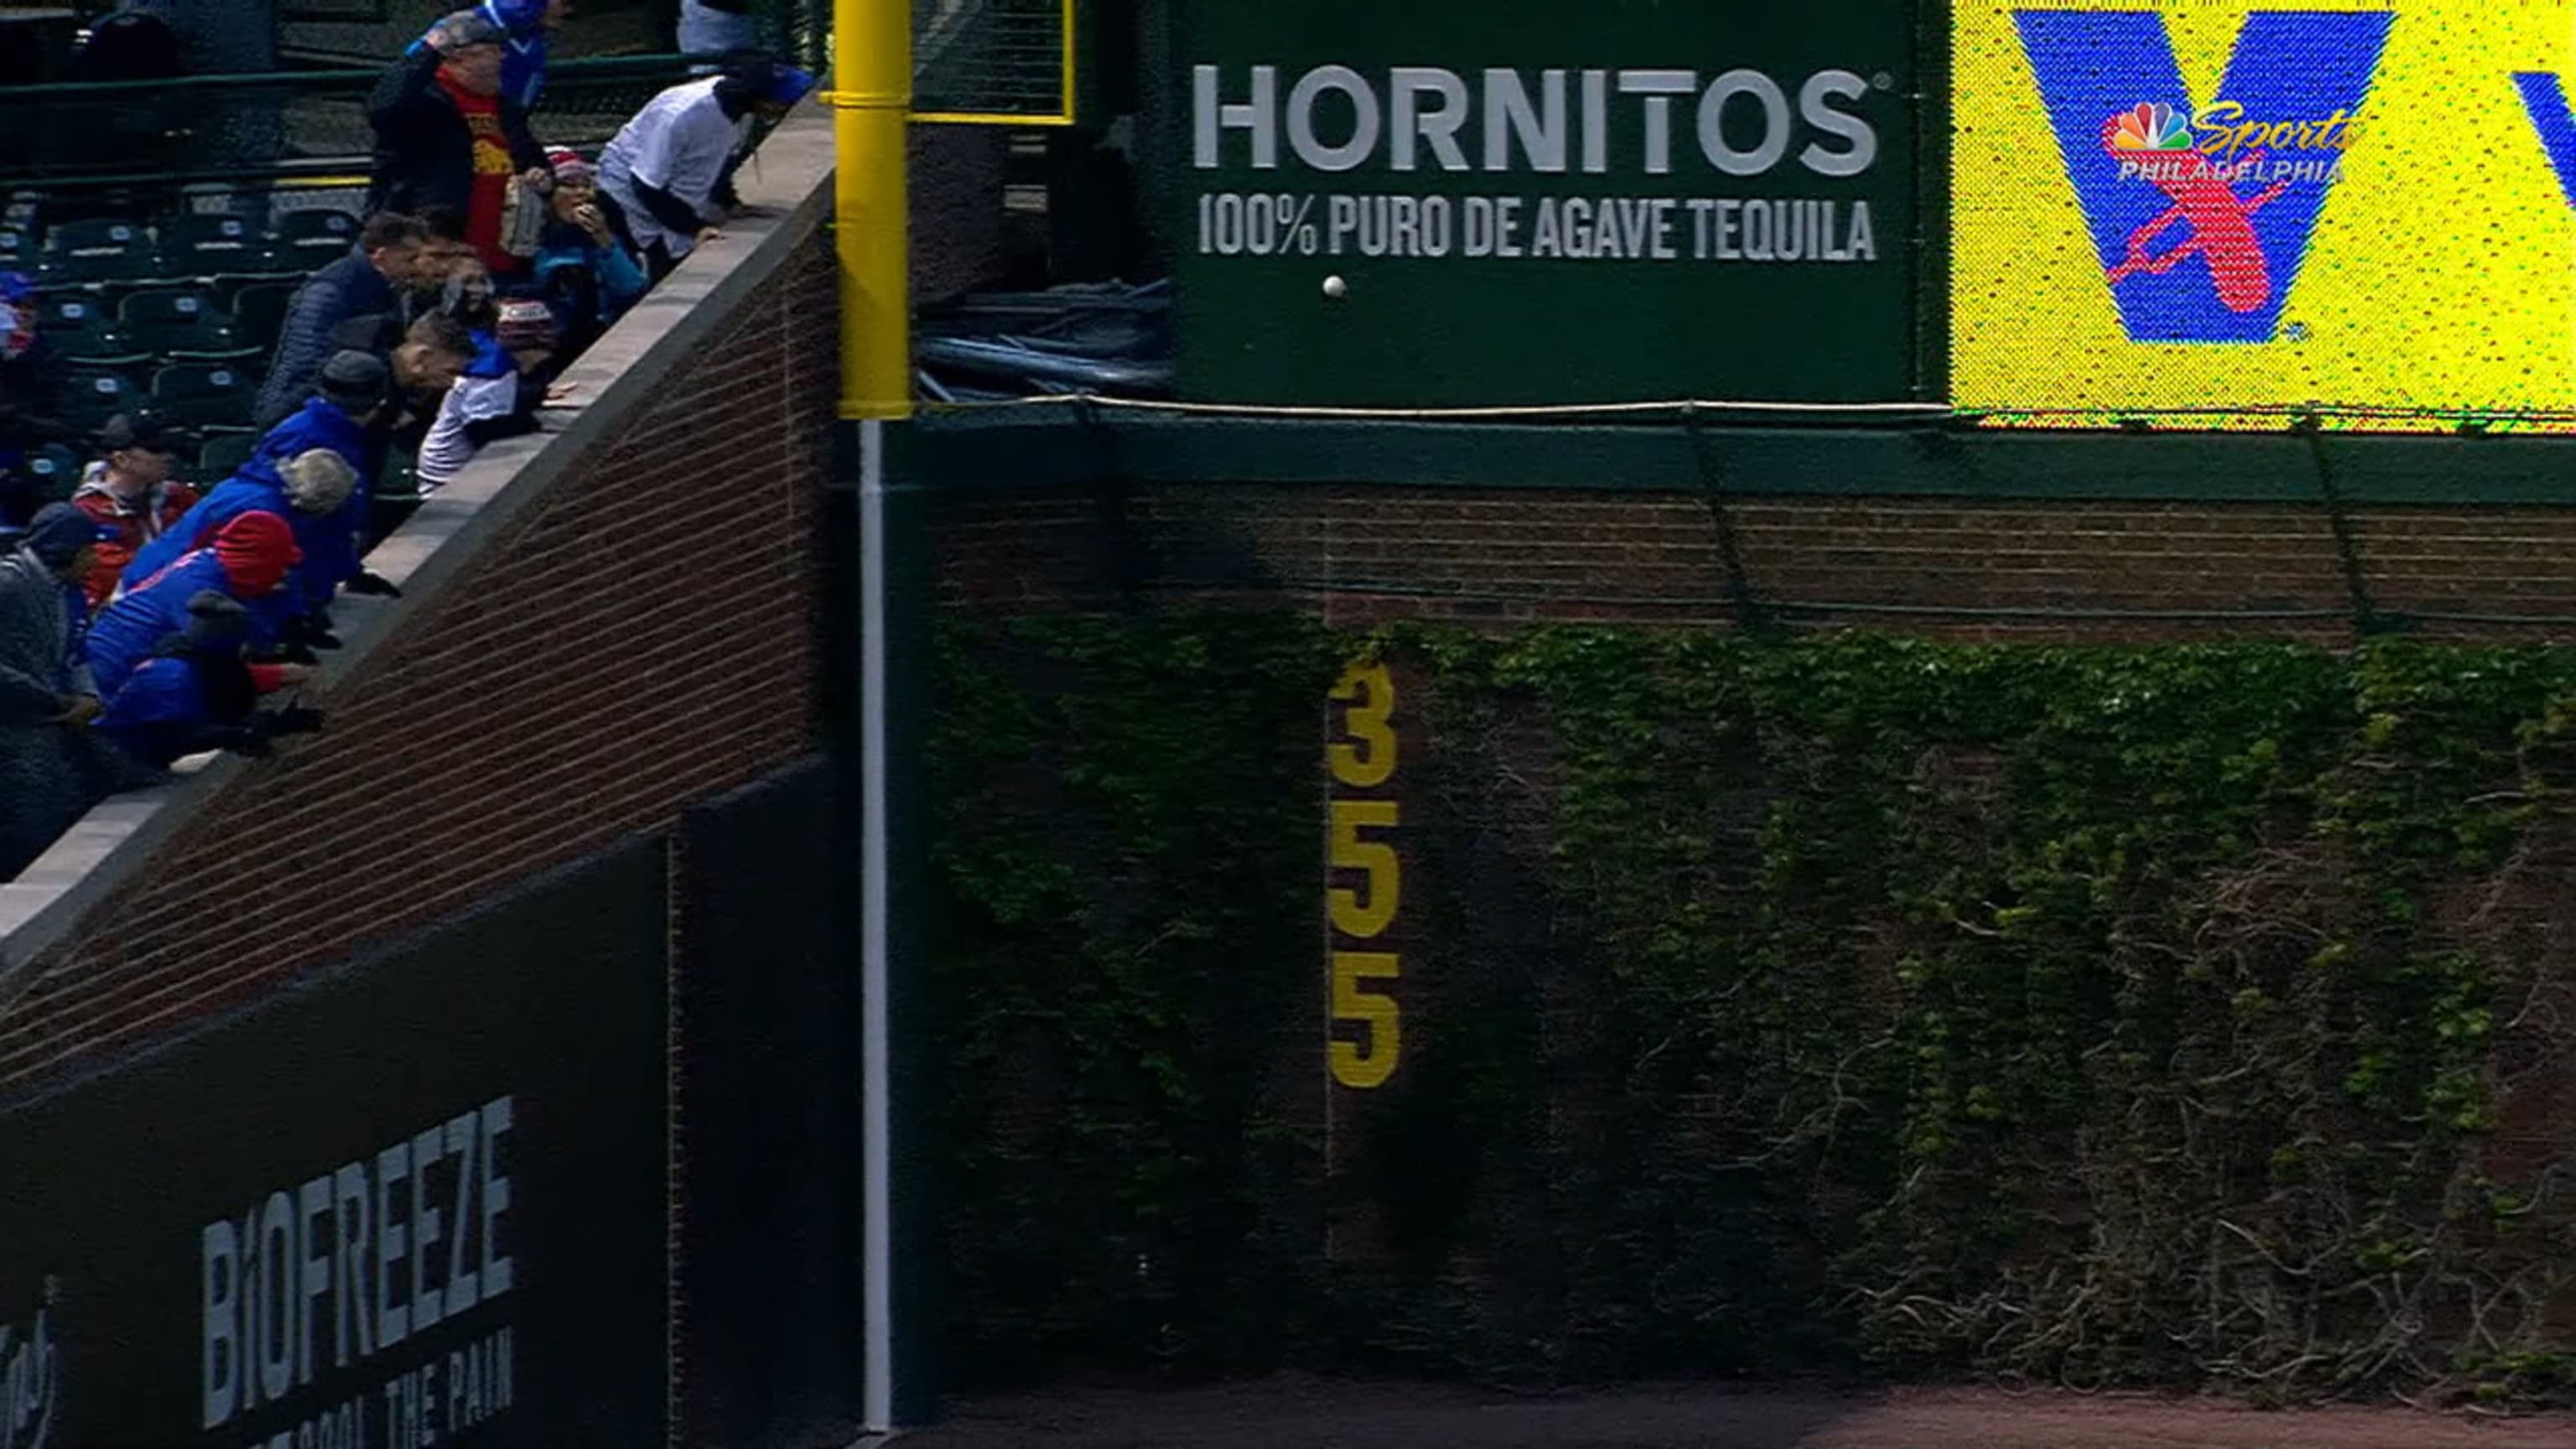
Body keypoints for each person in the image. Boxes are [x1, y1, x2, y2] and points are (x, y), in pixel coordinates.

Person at [366, 9, 549, 279]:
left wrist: (542, 176)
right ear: (460, 56)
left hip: (506, 254)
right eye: (492, 50)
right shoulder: (426, 102)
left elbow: (533, 158)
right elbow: (383, 107)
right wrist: (429, 50)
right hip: (437, 254)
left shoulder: (503, 107)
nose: (502, 57)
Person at [597, 55, 814, 280]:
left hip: (671, 191)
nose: (787, 108)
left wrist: (728, 203)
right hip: (626, 197)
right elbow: (645, 184)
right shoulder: (682, 115)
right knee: (657, 269)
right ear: (763, 100)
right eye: (784, 102)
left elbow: (720, 161)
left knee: (677, 251)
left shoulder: (740, 112)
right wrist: (694, 227)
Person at [0, 505, 115, 878]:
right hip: (17, 720)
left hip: (49, 719)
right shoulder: (8, 584)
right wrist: (48, 698)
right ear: (65, 549)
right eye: (88, 550)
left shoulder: (69, 591)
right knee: (28, 821)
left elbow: (77, 650)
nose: (95, 559)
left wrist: (89, 696)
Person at [88, 510, 302, 703]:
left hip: (112, 660)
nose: (282, 574)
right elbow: (214, 674)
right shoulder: (203, 594)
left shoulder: (208, 563)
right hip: (113, 678)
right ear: (256, 564)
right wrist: (281, 674)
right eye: (278, 565)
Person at [97, 590, 322, 771]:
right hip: (116, 759)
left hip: (146, 754)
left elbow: (233, 681)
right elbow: (180, 735)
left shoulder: (199, 660)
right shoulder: (172, 677)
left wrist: (286, 676)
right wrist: (249, 731)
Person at [252, 212, 430, 431]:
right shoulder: (330, 292)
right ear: (381, 256)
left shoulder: (384, 289)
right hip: (302, 414)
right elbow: (307, 365)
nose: (416, 268)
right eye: (409, 259)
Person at [416, 299, 558, 492]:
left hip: (468, 470)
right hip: (446, 479)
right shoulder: (489, 374)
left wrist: (535, 395)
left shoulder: (509, 368)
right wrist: (531, 423)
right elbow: (483, 430)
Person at [70, 413, 196, 608]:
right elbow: (112, 576)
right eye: (156, 450)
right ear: (121, 459)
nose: (168, 457)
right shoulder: (87, 512)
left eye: (169, 448)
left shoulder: (180, 498)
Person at [530, 147, 646, 356]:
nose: (582, 193)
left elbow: (632, 288)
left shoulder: (603, 229)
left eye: (586, 185)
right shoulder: (532, 239)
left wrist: (603, 239)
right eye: (569, 185)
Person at [406, 0, 569, 113]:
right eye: (564, 2)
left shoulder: (533, 43)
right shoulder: (463, 26)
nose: (567, 10)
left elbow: (518, 115)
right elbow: (405, 78)